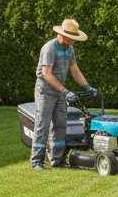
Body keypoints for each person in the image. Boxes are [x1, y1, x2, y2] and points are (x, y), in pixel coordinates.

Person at [32, 18, 97, 169]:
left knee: (61, 125)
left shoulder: (69, 49)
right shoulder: (49, 48)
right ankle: (37, 161)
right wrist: (65, 91)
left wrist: (87, 87)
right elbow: (47, 74)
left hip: (60, 92)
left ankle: (58, 161)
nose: (74, 42)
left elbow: (74, 69)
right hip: (45, 91)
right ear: (64, 36)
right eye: (72, 39)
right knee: (43, 125)